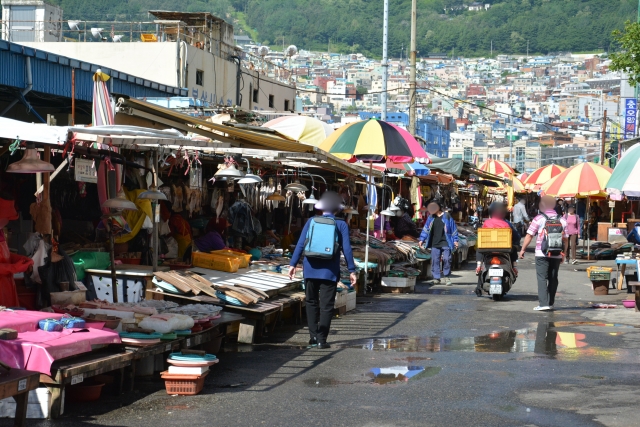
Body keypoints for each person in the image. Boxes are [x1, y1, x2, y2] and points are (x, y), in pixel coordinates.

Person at [288, 192, 357, 349]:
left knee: (311, 302)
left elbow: (300, 244)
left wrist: (293, 264)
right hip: (330, 271)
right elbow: (347, 249)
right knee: (326, 306)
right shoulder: (341, 225)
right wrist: (352, 270)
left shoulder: (311, 221)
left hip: (310, 268)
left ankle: (312, 337)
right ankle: (321, 340)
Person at [519, 196, 568, 311]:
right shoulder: (562, 220)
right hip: (556, 252)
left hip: (541, 253)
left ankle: (543, 303)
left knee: (542, 277)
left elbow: (529, 235)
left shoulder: (539, 218)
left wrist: (523, 250)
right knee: (553, 277)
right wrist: (563, 254)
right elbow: (565, 239)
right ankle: (550, 303)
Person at [0, 195, 33, 308]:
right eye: (5, 218)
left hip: (7, 287)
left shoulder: (0, 232)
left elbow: (4, 255)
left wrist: (19, 258)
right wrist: (14, 268)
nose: (7, 221)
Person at [418, 201, 459, 286]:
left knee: (447, 259)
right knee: (435, 260)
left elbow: (453, 229)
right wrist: (422, 239)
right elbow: (426, 229)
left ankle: (447, 276)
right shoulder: (431, 217)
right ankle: (436, 278)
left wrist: (455, 240)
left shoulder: (447, 216)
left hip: (446, 241)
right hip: (435, 242)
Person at [475, 202, 521, 275]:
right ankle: (514, 267)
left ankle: (478, 265)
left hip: (487, 248)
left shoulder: (486, 223)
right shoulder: (506, 224)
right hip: (504, 248)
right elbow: (514, 236)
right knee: (514, 249)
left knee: (479, 248)